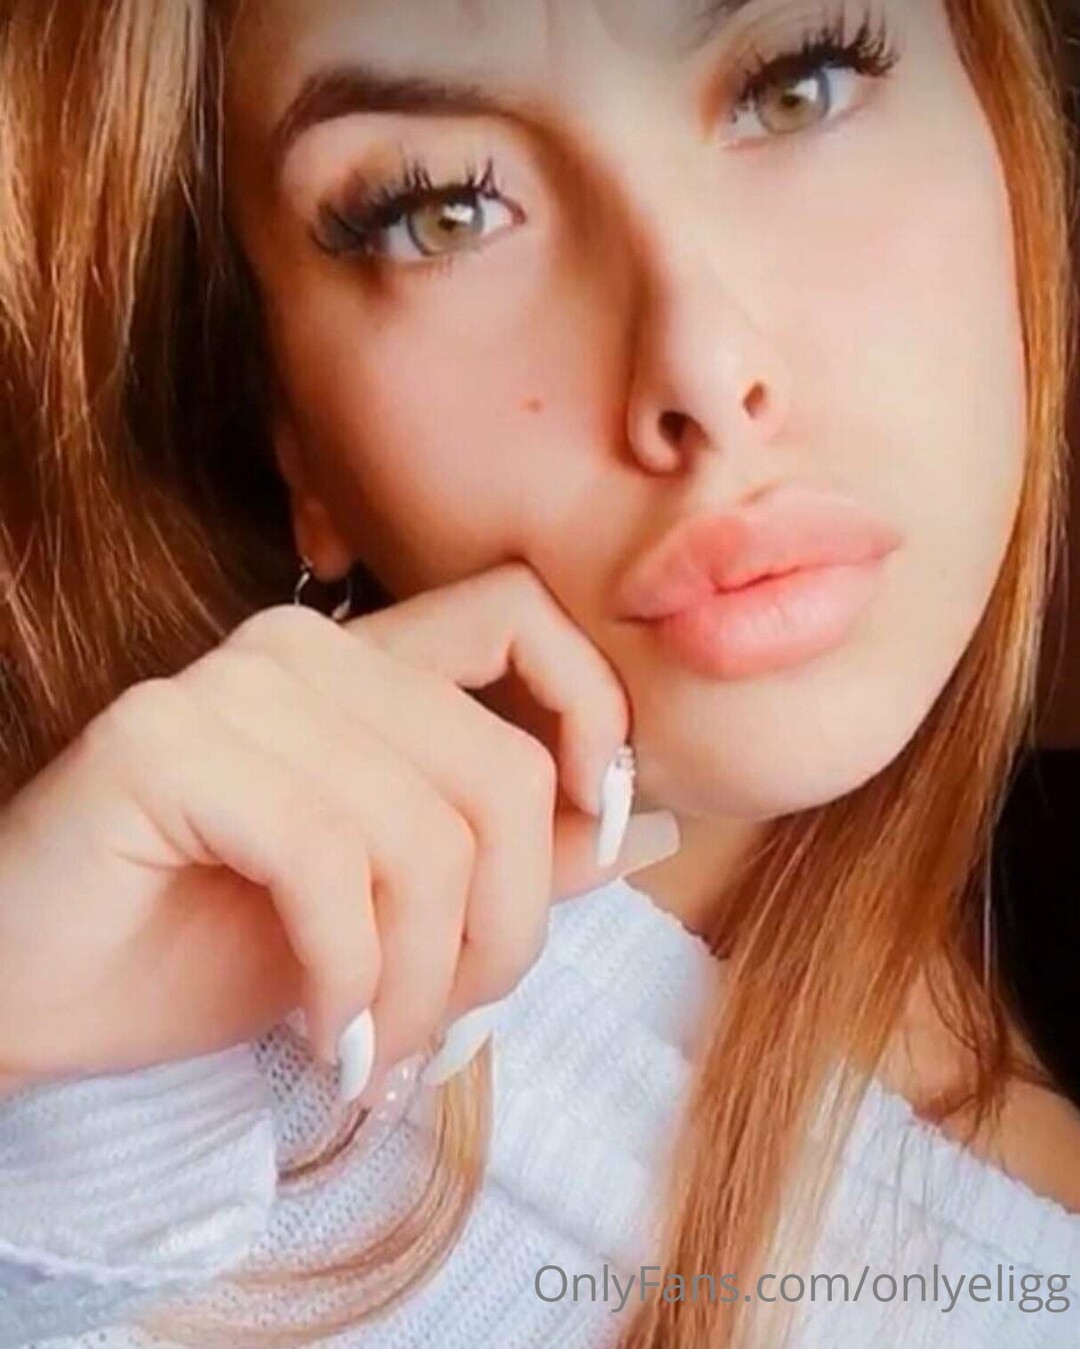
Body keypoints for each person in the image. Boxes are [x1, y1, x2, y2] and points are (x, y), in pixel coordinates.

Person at [0, 0, 1078, 1345]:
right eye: (442, 211)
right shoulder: (94, 1101)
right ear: (291, 427)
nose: (704, 365)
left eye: (798, 85)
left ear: (1010, 139)